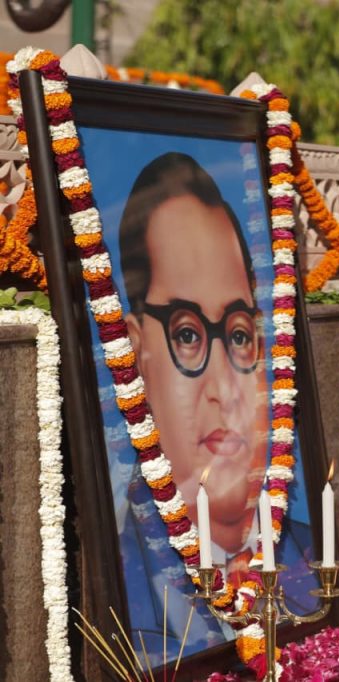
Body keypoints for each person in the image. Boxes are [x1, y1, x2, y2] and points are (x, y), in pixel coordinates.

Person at [116, 152, 315, 660]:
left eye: (239, 334)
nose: (224, 388)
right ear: (136, 352)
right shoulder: (120, 578)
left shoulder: (314, 563)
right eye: (187, 334)